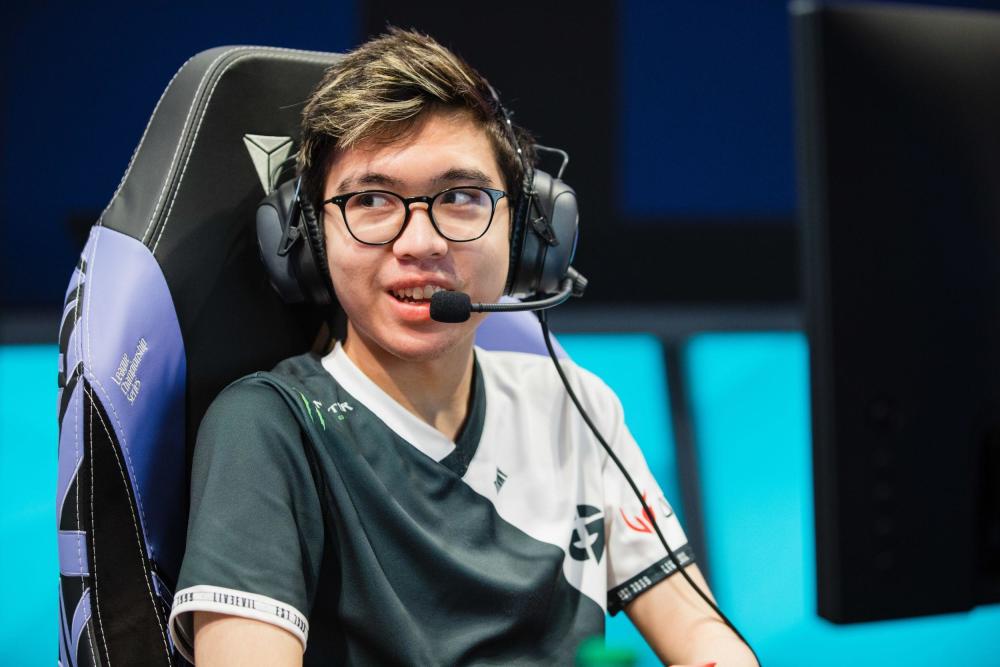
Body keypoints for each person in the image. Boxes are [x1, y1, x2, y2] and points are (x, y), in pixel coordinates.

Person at [167, 28, 757, 667]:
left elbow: (704, 636)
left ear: (528, 232)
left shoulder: (574, 406)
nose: (420, 243)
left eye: (461, 198)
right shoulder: (269, 427)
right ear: (309, 239)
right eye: (371, 200)